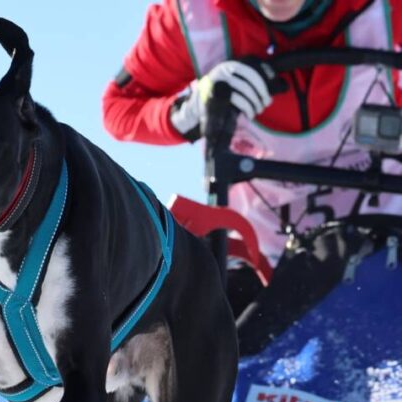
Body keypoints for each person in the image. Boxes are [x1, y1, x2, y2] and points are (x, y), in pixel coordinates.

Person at [103, 0, 402, 268]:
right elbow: (118, 109)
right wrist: (189, 112)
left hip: (388, 237)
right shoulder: (192, 16)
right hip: (260, 261)